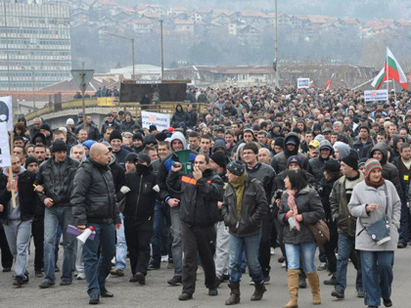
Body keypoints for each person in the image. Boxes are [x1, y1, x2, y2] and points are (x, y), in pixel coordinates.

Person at [167, 153, 224, 300]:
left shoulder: (214, 178)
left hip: (206, 225)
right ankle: (187, 290)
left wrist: (200, 181)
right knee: (189, 258)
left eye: (201, 162)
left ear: (207, 164)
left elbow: (215, 194)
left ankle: (211, 284)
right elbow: (173, 186)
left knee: (207, 258)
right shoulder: (187, 175)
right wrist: (173, 174)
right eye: (195, 162)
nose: (197, 165)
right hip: (188, 224)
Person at [71, 143, 121, 305]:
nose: (110, 156)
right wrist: (80, 221)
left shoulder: (107, 170)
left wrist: (117, 217)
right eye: (107, 153)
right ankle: (93, 290)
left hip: (107, 221)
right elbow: (77, 196)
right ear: (96, 156)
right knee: (90, 256)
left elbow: (112, 195)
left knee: (109, 254)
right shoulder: (84, 171)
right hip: (91, 223)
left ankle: (100, 283)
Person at [348, 159, 400, 308]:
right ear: (367, 172)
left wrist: (395, 223)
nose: (377, 174)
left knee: (385, 267)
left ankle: (385, 293)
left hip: (386, 233)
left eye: (378, 171)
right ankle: (373, 301)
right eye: (373, 172)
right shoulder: (359, 188)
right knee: (369, 270)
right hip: (366, 234)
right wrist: (365, 208)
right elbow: (352, 208)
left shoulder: (388, 186)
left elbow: (397, 205)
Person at [222, 160, 268, 305]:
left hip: (252, 230)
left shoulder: (255, 185)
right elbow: (224, 206)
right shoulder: (228, 187)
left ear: (236, 174)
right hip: (234, 230)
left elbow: (263, 205)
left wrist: (251, 221)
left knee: (253, 263)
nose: (226, 174)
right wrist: (227, 218)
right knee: (234, 261)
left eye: (229, 172)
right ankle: (235, 293)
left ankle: (259, 285)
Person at [35, 140, 79, 289]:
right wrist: (43, 198)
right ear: (53, 152)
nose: (62, 154)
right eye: (59, 151)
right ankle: (49, 277)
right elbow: (36, 185)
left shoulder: (75, 165)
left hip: (69, 208)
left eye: (64, 151)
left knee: (69, 242)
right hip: (51, 208)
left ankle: (67, 275)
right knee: (48, 241)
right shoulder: (43, 166)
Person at [278, 169, 324, 308]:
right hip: (290, 235)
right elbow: (279, 215)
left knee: (309, 265)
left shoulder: (310, 193)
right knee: (292, 266)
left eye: (286, 178)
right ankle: (293, 299)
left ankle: (316, 293)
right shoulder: (285, 195)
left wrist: (302, 217)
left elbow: (319, 212)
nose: (284, 181)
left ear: (293, 180)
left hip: (307, 236)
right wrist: (286, 216)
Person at [328, 154, 364, 298]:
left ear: (351, 167)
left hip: (362, 227)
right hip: (343, 226)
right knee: (342, 257)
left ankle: (361, 286)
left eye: (343, 165)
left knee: (362, 259)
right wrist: (336, 215)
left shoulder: (364, 182)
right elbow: (332, 200)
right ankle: (339, 288)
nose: (340, 168)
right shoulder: (339, 183)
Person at [0, 155, 37, 287]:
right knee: (14, 249)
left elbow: (34, 194)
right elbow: (1, 199)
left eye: (17, 162)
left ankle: (19, 275)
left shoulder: (27, 176)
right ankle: (23, 271)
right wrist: (6, 190)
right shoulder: (2, 178)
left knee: (22, 246)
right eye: (12, 163)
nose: (16, 165)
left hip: (24, 218)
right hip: (8, 219)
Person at [123, 153, 157, 285]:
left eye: (142, 162)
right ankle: (134, 272)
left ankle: (141, 271)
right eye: (137, 162)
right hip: (129, 216)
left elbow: (160, 193)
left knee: (144, 244)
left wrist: (158, 192)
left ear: (147, 164)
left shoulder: (153, 178)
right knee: (132, 246)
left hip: (146, 217)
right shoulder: (129, 177)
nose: (138, 165)